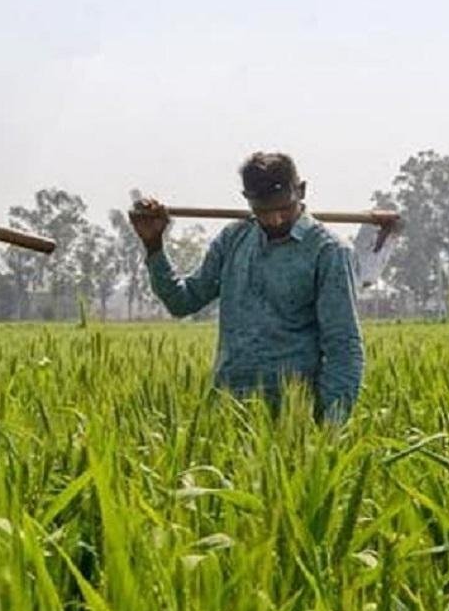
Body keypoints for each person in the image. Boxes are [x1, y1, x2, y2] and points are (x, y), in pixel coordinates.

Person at [128, 152, 364, 423]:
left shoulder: (328, 252)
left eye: (283, 208)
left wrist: (331, 427)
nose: (275, 220)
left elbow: (343, 346)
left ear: (300, 191)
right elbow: (183, 301)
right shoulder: (233, 240)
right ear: (248, 200)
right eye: (263, 212)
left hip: (292, 416)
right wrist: (154, 245)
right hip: (227, 409)